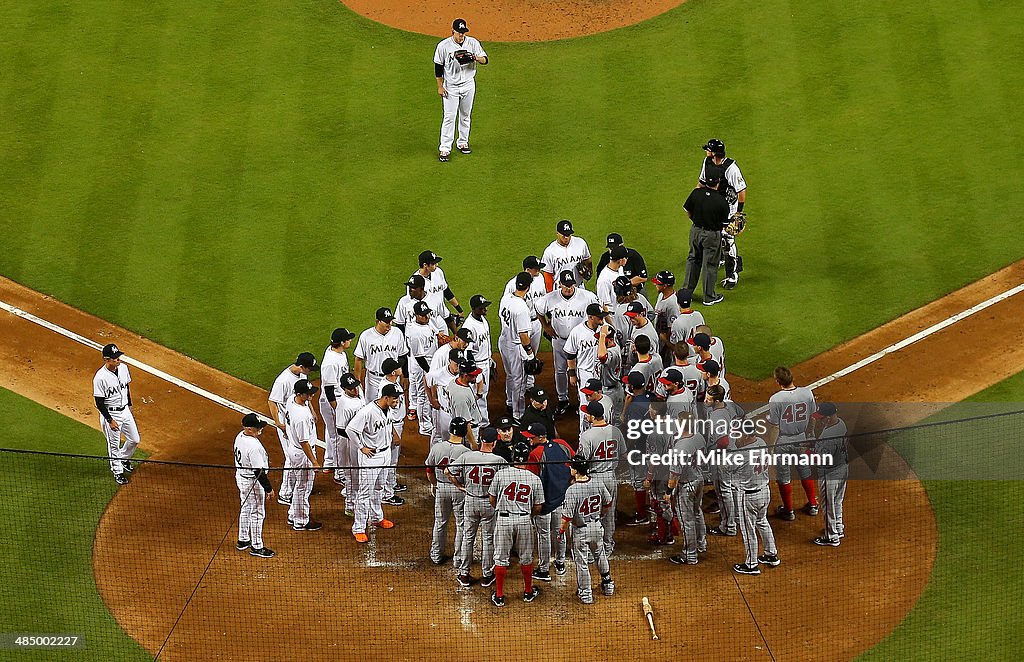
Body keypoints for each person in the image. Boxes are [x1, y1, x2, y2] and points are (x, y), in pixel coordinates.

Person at [488, 442, 545, 607]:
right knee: (526, 557)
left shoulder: (501, 474)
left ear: (512, 458)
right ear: (527, 459)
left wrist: (502, 509)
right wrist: (526, 515)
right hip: (524, 520)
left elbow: (492, 498)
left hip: (504, 520)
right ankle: (528, 592)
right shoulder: (534, 479)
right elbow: (539, 506)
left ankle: (499, 596)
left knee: (500, 557)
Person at [448, 426, 507, 586]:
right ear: (494, 443)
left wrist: (460, 486)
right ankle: (487, 574)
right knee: (488, 539)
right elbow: (508, 480)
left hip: (471, 500)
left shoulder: (467, 456)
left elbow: (448, 471)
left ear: (481, 440)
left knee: (468, 537)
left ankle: (464, 573)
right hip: (489, 503)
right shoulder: (499, 461)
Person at [535, 270, 599, 416]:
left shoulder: (587, 296)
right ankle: (562, 399)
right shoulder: (550, 298)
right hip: (559, 340)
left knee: (582, 370)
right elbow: (538, 310)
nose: (568, 288)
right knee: (560, 370)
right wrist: (545, 326)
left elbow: (598, 311)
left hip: (580, 343)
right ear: (560, 284)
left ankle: (581, 399)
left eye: (571, 285)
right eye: (565, 285)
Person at [346, 384, 402, 543]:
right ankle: (358, 528)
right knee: (365, 493)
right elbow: (351, 429)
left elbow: (388, 424)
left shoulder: (388, 409)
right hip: (371, 456)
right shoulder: (367, 412)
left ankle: (377, 517)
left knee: (379, 487)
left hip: (386, 453)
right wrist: (361, 447)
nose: (397, 401)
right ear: (386, 398)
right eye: (395, 398)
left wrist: (393, 435)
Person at [522, 422, 574, 582]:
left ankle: (544, 569)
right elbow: (576, 460)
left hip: (544, 503)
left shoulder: (535, 454)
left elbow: (531, 480)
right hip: (562, 499)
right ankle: (560, 563)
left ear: (539, 437)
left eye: (531, 437)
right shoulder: (562, 444)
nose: (529, 440)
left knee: (544, 535)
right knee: (560, 533)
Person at [765, 366, 818, 521]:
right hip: (801, 438)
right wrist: (810, 434)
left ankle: (788, 511)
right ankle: (813, 505)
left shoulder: (776, 399)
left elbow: (774, 426)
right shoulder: (807, 392)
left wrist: (771, 448)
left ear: (778, 381)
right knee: (805, 471)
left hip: (783, 441)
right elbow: (813, 416)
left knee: (783, 476)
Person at [559, 458, 615, 604]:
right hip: (597, 527)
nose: (569, 468)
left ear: (576, 470)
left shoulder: (572, 490)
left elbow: (566, 518)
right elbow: (608, 502)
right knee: (600, 555)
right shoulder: (597, 482)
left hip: (581, 531)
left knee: (582, 562)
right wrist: (600, 515)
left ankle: (586, 594)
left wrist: (560, 531)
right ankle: (608, 585)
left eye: (571, 467)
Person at [267, 351, 319, 503]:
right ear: (302, 366)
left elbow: (304, 397)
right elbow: (272, 401)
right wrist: (279, 423)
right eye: (310, 368)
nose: (311, 371)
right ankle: (286, 493)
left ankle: (299, 484)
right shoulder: (283, 381)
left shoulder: (302, 376)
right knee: (292, 457)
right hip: (287, 423)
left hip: (296, 418)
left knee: (295, 456)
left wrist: (312, 411)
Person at [434, 19, 488, 162]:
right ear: (452, 31)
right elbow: (438, 68)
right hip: (451, 87)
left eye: (463, 33)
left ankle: (463, 142)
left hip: (468, 85)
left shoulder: (473, 43)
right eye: (459, 33)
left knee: (465, 115)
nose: (461, 36)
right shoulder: (443, 46)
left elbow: (485, 60)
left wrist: (475, 57)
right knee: (449, 117)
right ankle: (445, 148)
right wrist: (440, 86)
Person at [698, 138, 748, 289]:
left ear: (713, 153)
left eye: (708, 149)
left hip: (728, 210)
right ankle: (719, 258)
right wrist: (696, 200)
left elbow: (741, 191)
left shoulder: (731, 168)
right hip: (712, 207)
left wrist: (738, 213)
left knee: (727, 240)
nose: (706, 151)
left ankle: (732, 275)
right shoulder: (707, 163)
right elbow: (701, 183)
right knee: (713, 234)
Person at [576, 401, 623, 555]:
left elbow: (581, 460)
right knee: (609, 513)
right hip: (610, 477)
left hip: (594, 479)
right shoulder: (616, 431)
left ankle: (592, 548)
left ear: (591, 416)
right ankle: (608, 546)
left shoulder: (587, 435)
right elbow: (624, 455)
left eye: (587, 413)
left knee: (592, 515)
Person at [425, 417, 474, 566]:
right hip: (459, 490)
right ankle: (458, 559)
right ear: (464, 432)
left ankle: (436, 555)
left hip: (441, 488)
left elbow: (429, 470)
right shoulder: (466, 452)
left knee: (440, 522)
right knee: (461, 524)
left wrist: (434, 484)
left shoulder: (437, 447)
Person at [732, 428, 781, 575]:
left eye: (739, 434)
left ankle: (751, 564)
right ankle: (771, 554)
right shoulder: (761, 442)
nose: (736, 438)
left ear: (747, 435)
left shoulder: (740, 455)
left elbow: (727, 470)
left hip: (748, 497)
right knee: (762, 521)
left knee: (748, 530)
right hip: (764, 492)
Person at [663, 410, 708, 565]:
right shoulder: (699, 438)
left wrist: (668, 492)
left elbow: (674, 474)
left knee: (686, 520)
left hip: (686, 485)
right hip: (699, 479)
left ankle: (690, 555)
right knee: (697, 512)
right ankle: (701, 544)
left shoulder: (680, 447)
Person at [93, 343, 140, 486]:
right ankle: (118, 472)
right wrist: (110, 420)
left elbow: (126, 389)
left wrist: (129, 406)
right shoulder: (100, 378)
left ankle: (123, 458)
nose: (118, 360)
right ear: (106, 360)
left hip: (125, 410)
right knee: (114, 445)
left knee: (134, 439)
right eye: (115, 358)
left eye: (118, 357)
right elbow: (99, 402)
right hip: (111, 414)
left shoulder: (124, 368)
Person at [682, 174, 730, 305]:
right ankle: (709, 297)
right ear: (718, 183)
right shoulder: (721, 201)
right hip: (712, 235)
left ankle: (686, 293)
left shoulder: (696, 193)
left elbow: (688, 211)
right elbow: (725, 224)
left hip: (695, 231)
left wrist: (696, 222)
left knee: (693, 259)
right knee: (710, 265)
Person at [403, 299, 448, 435]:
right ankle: (425, 425)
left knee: (431, 391)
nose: (427, 316)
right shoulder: (415, 332)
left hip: (430, 361)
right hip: (422, 365)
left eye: (427, 314)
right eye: (423, 315)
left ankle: (429, 420)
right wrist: (430, 373)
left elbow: (432, 330)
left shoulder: (426, 323)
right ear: (416, 315)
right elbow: (418, 357)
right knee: (423, 394)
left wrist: (438, 334)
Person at [234, 413, 275, 558]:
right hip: (253, 481)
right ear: (249, 429)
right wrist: (268, 488)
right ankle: (257, 546)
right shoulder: (253, 446)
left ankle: (243, 539)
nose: (260, 430)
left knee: (245, 507)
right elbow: (258, 471)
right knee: (257, 512)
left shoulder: (240, 436)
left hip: (241, 477)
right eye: (258, 428)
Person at [285, 379, 323, 532]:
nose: (311, 396)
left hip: (294, 450)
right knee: (303, 488)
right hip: (302, 454)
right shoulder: (301, 417)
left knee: (299, 485)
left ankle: (293, 514)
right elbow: (304, 442)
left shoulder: (292, 400)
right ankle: (300, 521)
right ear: (300, 394)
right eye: (308, 394)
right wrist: (313, 461)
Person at [498, 272, 536, 418]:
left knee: (510, 375)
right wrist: (530, 355)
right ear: (528, 287)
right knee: (519, 381)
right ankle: (518, 415)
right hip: (515, 346)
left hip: (504, 341)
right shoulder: (522, 308)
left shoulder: (506, 298)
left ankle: (509, 401)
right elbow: (523, 335)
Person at [810, 403, 849, 546]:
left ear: (828, 417)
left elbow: (822, 458)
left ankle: (831, 537)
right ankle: (838, 527)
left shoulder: (828, 434)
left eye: (821, 417)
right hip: (843, 467)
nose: (820, 420)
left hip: (830, 473)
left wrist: (807, 453)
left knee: (828, 505)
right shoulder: (841, 424)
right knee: (837, 500)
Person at [319, 328, 355, 481]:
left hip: (338, 398)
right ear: (341, 342)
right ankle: (340, 473)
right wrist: (336, 407)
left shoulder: (339, 353)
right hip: (331, 401)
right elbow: (328, 389)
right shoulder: (330, 362)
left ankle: (329, 462)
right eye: (348, 339)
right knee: (338, 436)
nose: (350, 341)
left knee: (332, 432)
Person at [504, 256, 548, 380]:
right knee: (524, 353)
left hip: (537, 322)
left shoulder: (540, 279)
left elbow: (544, 299)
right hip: (522, 325)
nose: (539, 271)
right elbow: (507, 305)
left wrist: (547, 321)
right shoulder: (513, 284)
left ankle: (529, 382)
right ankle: (520, 381)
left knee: (532, 354)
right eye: (536, 269)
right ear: (527, 269)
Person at [565, 303, 612, 417]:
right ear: (591, 317)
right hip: (585, 372)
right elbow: (570, 354)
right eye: (599, 316)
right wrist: (572, 373)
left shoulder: (605, 330)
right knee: (586, 404)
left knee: (603, 401)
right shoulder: (577, 332)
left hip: (602, 371)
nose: (602, 319)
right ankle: (584, 432)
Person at [354, 307, 408, 398]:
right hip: (374, 380)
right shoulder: (366, 336)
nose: (389, 324)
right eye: (386, 322)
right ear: (378, 321)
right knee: (373, 408)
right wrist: (357, 382)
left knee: (393, 408)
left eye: (390, 321)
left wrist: (405, 375)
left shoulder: (397, 333)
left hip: (393, 378)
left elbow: (402, 355)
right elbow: (358, 359)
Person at [378, 358, 408, 507]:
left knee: (393, 459)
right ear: (393, 372)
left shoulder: (391, 384)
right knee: (390, 460)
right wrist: (393, 433)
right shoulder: (387, 389)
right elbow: (385, 413)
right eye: (398, 367)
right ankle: (386, 494)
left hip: (397, 423)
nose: (401, 368)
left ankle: (391, 483)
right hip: (392, 425)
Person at [335, 372, 366, 516]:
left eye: (355, 386)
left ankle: (358, 500)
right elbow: (341, 430)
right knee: (352, 475)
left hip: (359, 441)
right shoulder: (344, 404)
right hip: (348, 443)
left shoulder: (359, 394)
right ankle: (350, 505)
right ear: (344, 389)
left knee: (359, 473)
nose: (355, 389)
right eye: (351, 388)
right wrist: (358, 441)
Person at [461, 295, 494, 427]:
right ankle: (481, 423)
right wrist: (475, 372)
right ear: (475, 309)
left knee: (483, 392)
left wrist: (490, 361)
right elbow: (468, 352)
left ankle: (481, 421)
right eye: (482, 307)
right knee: (479, 394)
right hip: (478, 364)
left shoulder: (482, 319)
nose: (485, 309)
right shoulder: (469, 326)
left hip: (485, 361)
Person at [410, 250, 464, 320]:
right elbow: (413, 305)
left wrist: (459, 310)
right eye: (433, 264)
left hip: (443, 314)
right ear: (425, 265)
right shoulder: (415, 282)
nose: (437, 265)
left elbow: (446, 291)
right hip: (428, 319)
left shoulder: (438, 272)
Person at [540, 220, 592, 290]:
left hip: (579, 287)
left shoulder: (580, 243)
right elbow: (548, 275)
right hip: (560, 290)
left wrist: (589, 270)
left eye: (568, 234)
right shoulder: (550, 251)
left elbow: (587, 259)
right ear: (557, 233)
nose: (566, 237)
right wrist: (550, 294)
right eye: (564, 235)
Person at [651, 271, 679, 361]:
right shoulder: (661, 295)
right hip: (659, 334)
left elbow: (672, 327)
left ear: (665, 285)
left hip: (666, 341)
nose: (655, 284)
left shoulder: (672, 304)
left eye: (658, 283)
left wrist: (666, 343)